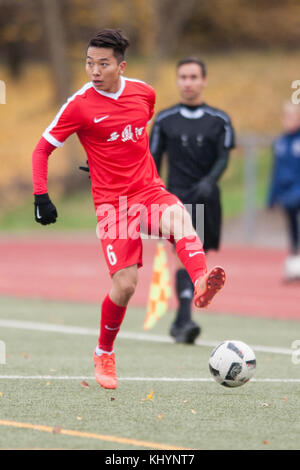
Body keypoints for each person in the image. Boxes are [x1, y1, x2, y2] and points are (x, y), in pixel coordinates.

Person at [32, 30, 226, 390]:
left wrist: (118, 157)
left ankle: (200, 281)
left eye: (103, 64)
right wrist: (41, 196)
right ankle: (104, 351)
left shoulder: (144, 93)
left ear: (121, 65)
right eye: (89, 63)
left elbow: (137, 129)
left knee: (179, 216)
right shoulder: (79, 105)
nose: (94, 70)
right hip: (113, 205)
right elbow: (41, 149)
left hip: (148, 190)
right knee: (125, 285)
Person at [150, 57, 235, 344]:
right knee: (182, 258)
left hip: (208, 198)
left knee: (199, 258)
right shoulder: (164, 119)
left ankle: (180, 319)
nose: (188, 82)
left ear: (204, 81)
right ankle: (185, 319)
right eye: (183, 77)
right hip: (176, 198)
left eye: (193, 77)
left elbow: (224, 157)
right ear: (177, 81)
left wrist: (210, 181)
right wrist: (155, 193)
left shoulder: (219, 120)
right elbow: (151, 159)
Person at [267, 101, 300, 281]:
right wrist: (271, 198)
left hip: (297, 193)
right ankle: (294, 260)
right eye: (287, 116)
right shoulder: (280, 143)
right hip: (287, 196)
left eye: (293, 116)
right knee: (292, 229)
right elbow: (276, 172)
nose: (289, 120)